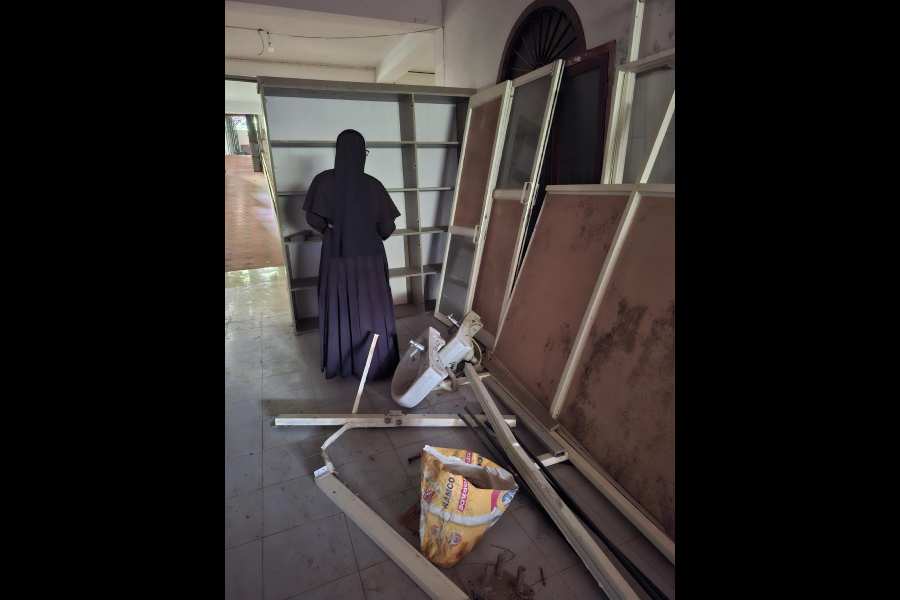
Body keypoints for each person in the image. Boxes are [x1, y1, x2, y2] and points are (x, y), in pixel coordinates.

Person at [303, 129, 401, 380]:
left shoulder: (323, 181)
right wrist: (365, 232)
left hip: (336, 256)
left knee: (340, 307)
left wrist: (330, 230)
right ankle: (376, 363)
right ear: (361, 154)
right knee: (372, 308)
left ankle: (342, 364)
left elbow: (312, 218)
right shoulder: (373, 185)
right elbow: (387, 228)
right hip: (370, 259)